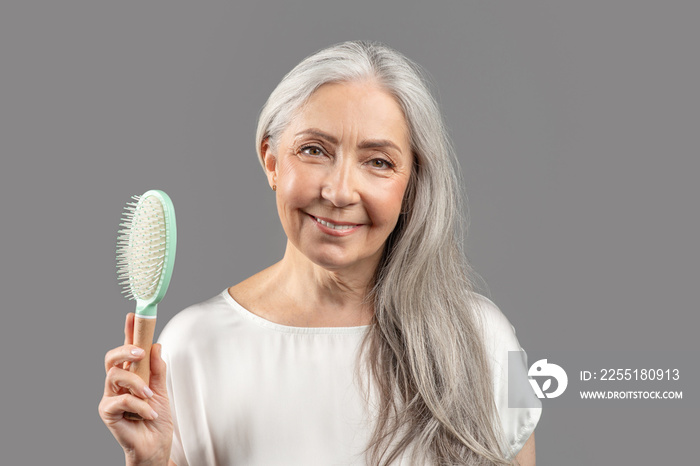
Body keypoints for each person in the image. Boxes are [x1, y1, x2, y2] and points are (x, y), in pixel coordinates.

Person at [99, 40, 541, 466]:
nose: (339, 191)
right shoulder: (192, 346)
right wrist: (151, 462)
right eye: (314, 151)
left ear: (412, 183)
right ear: (272, 161)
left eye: (379, 162)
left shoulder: (487, 338)